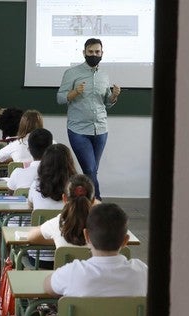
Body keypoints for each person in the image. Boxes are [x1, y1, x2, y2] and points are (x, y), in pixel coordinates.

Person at [43, 203, 147, 316]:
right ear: (125, 240)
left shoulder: (74, 271)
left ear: (86, 236)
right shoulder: (141, 270)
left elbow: (48, 287)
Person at [56, 38, 121, 200]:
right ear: (84, 52)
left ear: (102, 54)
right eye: (91, 52)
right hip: (78, 129)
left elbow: (106, 103)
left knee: (91, 170)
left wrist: (113, 96)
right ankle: (96, 203)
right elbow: (60, 98)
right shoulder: (72, 73)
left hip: (100, 129)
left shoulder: (104, 75)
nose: (94, 55)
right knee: (90, 170)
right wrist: (75, 93)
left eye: (97, 52)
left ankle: (82, 202)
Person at [26, 143, 77, 269]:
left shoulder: (36, 186)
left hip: (39, 257)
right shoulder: (77, 189)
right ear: (70, 164)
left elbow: (29, 207)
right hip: (73, 257)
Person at [26, 174, 96, 248]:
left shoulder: (57, 224)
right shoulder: (104, 226)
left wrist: (55, 238)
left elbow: (30, 236)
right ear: (93, 201)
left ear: (64, 199)